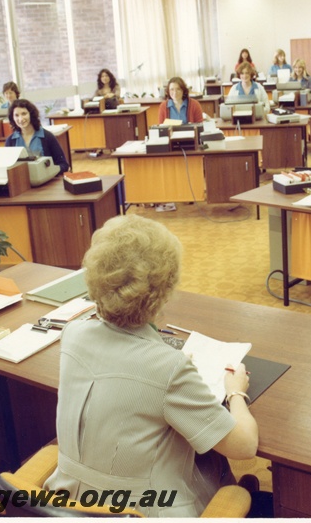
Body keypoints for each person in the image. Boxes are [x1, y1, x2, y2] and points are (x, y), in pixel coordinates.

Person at [43, 215, 259, 517]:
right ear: (164, 290)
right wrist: (235, 392)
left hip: (68, 504)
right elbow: (245, 446)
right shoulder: (168, 367)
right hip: (143, 511)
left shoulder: (73, 334)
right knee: (215, 462)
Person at [5, 99, 69, 173]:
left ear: (31, 114)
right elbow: (7, 167)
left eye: (24, 114)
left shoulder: (47, 137)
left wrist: (50, 172)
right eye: (16, 115)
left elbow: (64, 165)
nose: (21, 119)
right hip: (21, 179)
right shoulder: (10, 141)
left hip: (46, 178)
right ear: (12, 118)